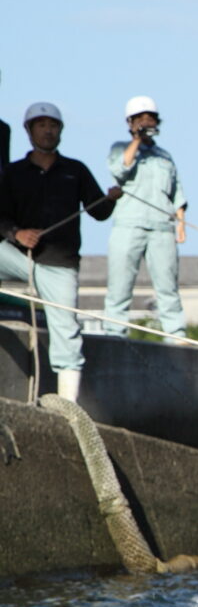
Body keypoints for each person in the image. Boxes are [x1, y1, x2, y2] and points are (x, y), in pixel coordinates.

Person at [0, 102, 119, 401]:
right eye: (41, 125)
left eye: (52, 125)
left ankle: (68, 406)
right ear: (29, 131)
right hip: (18, 258)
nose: (48, 130)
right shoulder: (13, 173)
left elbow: (99, 212)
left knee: (66, 332)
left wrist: (111, 199)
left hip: (59, 264)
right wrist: (17, 233)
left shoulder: (75, 170)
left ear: (61, 130)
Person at [104, 94, 188, 340]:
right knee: (119, 286)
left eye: (150, 119)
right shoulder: (119, 147)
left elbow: (177, 190)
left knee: (168, 288)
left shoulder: (165, 156)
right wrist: (137, 141)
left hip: (162, 227)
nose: (146, 123)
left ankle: (176, 335)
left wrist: (180, 223)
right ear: (130, 123)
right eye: (140, 119)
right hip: (128, 225)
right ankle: (114, 334)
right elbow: (120, 169)